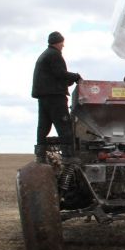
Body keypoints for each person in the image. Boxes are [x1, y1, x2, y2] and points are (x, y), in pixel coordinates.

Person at [31, 31, 82, 164]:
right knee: (64, 124)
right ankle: (68, 156)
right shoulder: (54, 55)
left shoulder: (44, 55)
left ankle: (40, 155)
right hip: (55, 96)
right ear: (58, 43)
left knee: (43, 125)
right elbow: (60, 73)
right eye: (62, 43)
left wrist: (67, 80)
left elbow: (54, 75)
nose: (63, 46)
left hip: (44, 97)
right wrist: (76, 77)